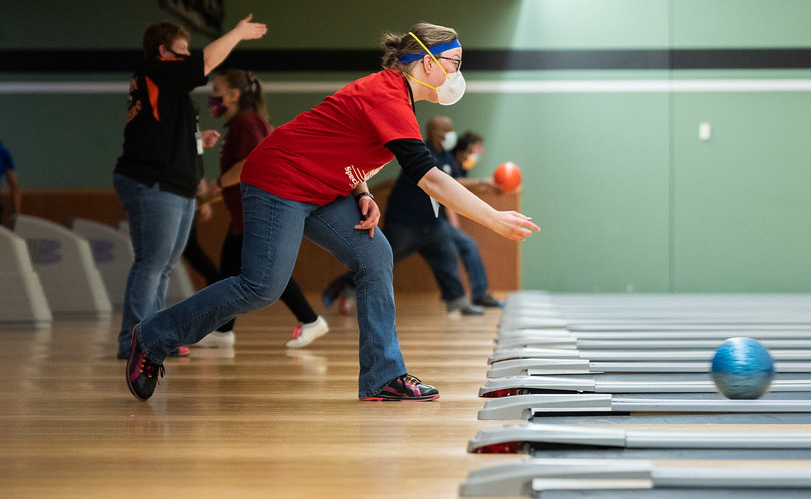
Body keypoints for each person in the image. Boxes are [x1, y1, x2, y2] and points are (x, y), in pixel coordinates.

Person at [125, 22, 539, 403]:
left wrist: (362, 191)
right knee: (261, 286)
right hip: (278, 181)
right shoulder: (388, 97)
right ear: (427, 63)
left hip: (320, 189)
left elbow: (340, 144)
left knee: (376, 256)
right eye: (455, 62)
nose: (457, 72)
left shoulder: (397, 97)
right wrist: (495, 219)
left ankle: (383, 377)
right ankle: (153, 335)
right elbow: (428, 178)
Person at [113, 15, 267, 360]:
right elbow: (209, 61)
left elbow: (160, 135)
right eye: (181, 51)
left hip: (176, 186)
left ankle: (151, 336)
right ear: (163, 51)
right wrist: (239, 33)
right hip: (150, 182)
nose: (188, 56)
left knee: (165, 265)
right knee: (151, 262)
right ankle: (132, 341)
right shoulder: (155, 72)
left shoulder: (172, 93)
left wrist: (197, 142)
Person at [194, 69, 328, 349]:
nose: (212, 95)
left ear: (233, 95)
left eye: (216, 88)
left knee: (265, 275)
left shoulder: (246, 123)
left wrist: (214, 187)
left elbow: (247, 165)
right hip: (244, 215)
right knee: (232, 272)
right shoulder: (244, 124)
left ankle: (311, 320)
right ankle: (223, 332)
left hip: (255, 213)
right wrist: (209, 198)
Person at [321, 116, 486, 317]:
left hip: (432, 224)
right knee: (382, 263)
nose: (451, 135)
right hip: (405, 224)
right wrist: (482, 183)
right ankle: (343, 284)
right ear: (435, 133)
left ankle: (458, 303)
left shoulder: (447, 156)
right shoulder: (422, 154)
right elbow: (443, 181)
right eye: (446, 130)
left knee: (447, 257)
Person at [441, 124, 505, 308]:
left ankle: (463, 296)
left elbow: (459, 190)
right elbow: (449, 187)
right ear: (466, 148)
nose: (476, 156)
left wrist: (484, 186)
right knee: (467, 245)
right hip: (429, 219)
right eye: (475, 152)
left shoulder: (461, 166)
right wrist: (454, 224)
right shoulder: (447, 160)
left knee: (455, 250)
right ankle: (476, 295)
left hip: (435, 222)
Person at [0, 140, 22, 229]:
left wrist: (17, 215)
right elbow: (14, 186)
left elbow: (14, 187)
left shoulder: (3, 153)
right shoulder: (3, 152)